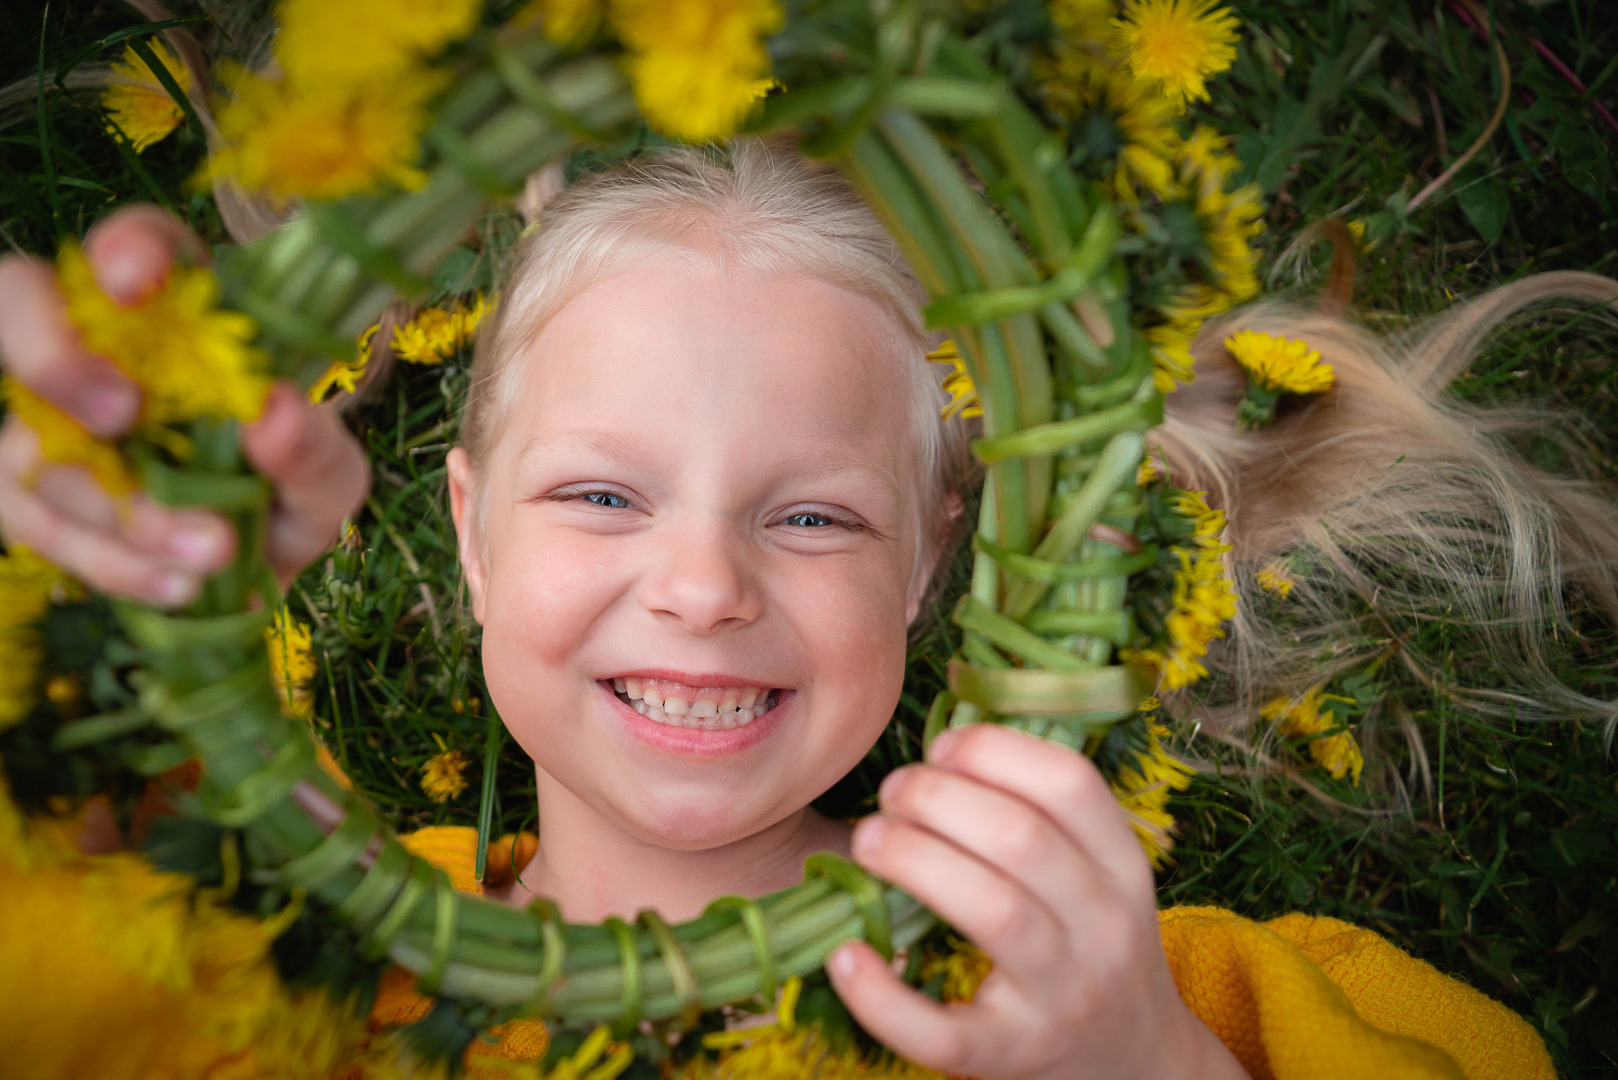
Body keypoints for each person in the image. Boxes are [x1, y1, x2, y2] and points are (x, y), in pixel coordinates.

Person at [0, 141, 1577, 1080]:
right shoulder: (295, 964)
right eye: (602, 496)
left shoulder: (1153, 999)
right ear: (470, 540)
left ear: (924, 559)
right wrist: (107, 636)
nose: (698, 587)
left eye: (812, 514)